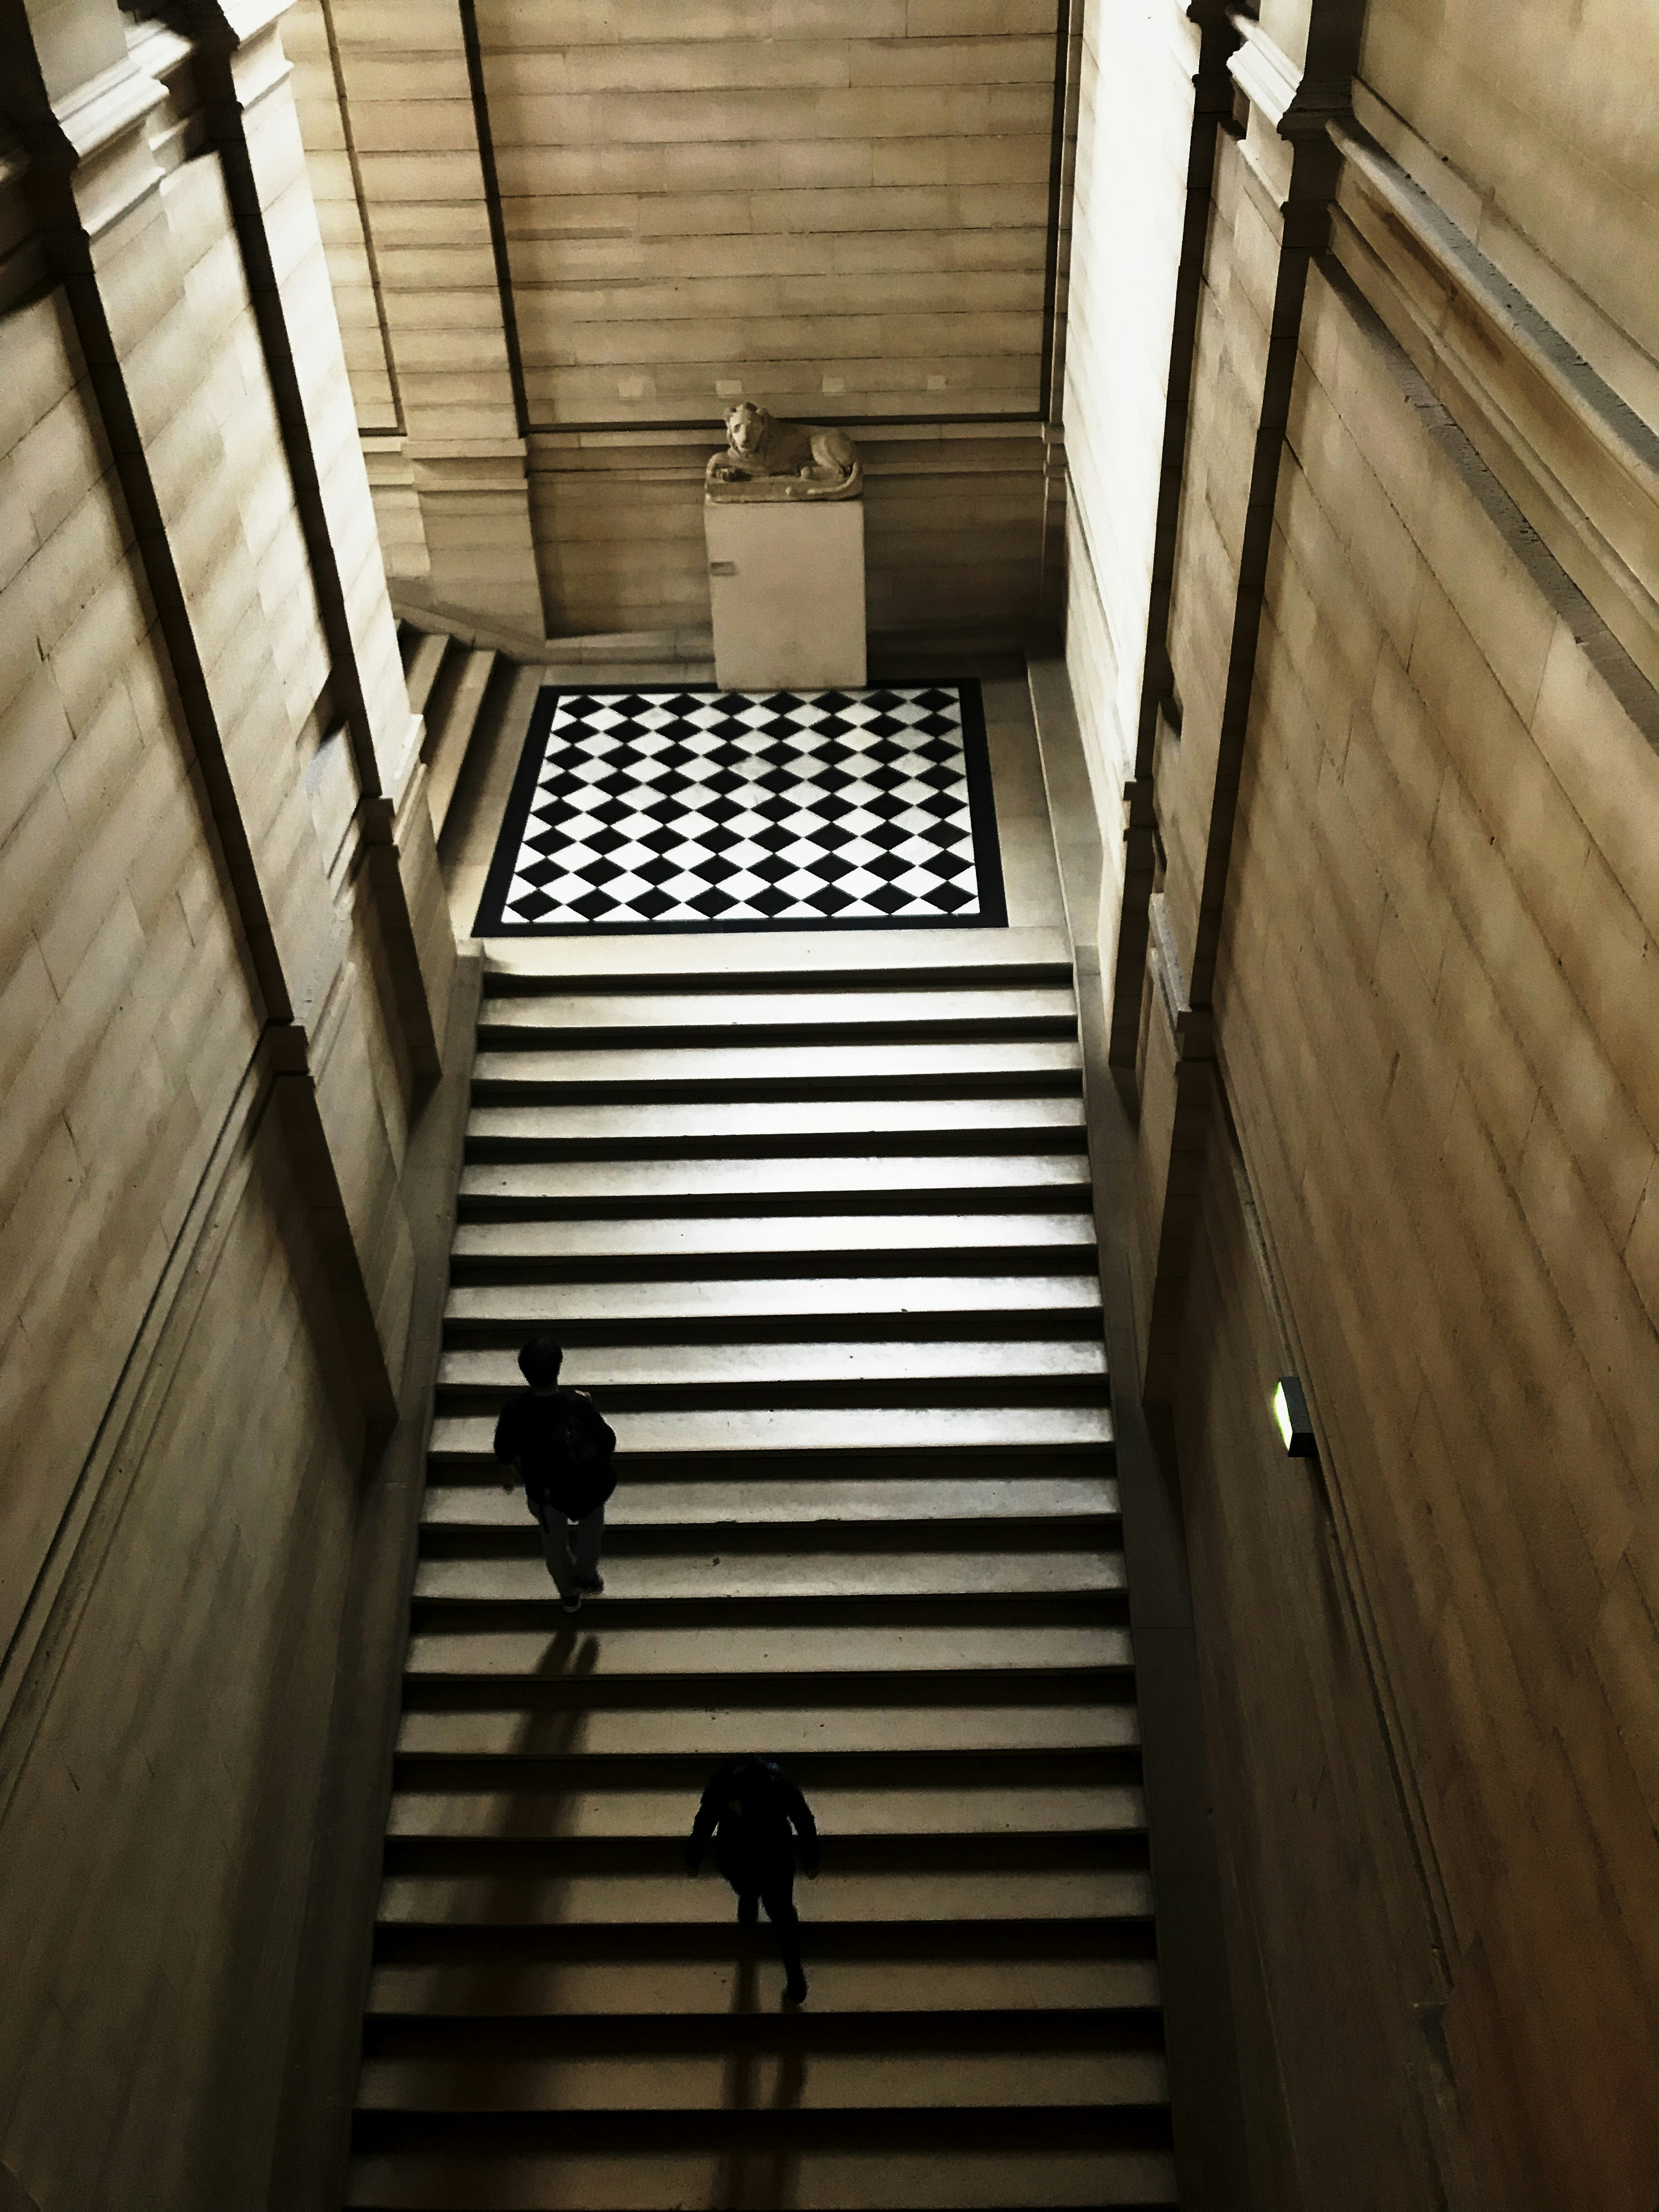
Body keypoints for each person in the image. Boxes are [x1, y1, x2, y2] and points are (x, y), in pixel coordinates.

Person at [493, 1334, 616, 1613]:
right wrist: (590, 1407)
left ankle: (569, 1594)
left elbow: (504, 1450)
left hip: (544, 1490)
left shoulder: (514, 1411)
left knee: (554, 1543)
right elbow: (607, 1441)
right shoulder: (577, 1404)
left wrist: (510, 1474)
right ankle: (587, 1573)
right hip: (584, 1486)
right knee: (591, 1529)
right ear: (559, 1367)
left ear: (525, 1373)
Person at [685, 1755, 820, 2006]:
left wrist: (693, 1857)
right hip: (775, 1855)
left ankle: (748, 1901)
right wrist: (811, 1858)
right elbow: (803, 1818)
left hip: (737, 1854)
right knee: (782, 1912)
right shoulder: (779, 1782)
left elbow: (704, 1822)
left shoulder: (724, 1783)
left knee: (745, 1886)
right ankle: (793, 1969)